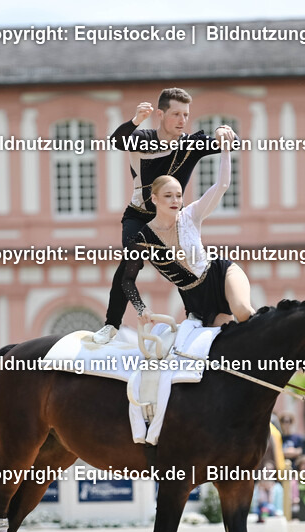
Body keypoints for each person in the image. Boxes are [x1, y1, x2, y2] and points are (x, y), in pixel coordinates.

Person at [93, 88, 228, 343]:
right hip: (138, 216)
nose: (182, 120)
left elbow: (227, 144)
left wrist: (223, 133)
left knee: (182, 266)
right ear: (160, 114)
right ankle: (111, 325)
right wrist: (134, 121)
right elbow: (117, 140)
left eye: (186, 115)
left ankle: (196, 317)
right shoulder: (143, 138)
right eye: (176, 114)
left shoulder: (190, 144)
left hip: (169, 222)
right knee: (130, 262)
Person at [115, 129, 253, 329]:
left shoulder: (191, 214)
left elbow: (222, 185)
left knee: (243, 311)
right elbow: (127, 280)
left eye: (178, 195)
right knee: (223, 343)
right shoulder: (142, 238)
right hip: (195, 298)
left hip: (219, 274)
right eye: (168, 195)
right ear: (154, 199)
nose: (175, 201)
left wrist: (225, 150)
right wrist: (141, 308)